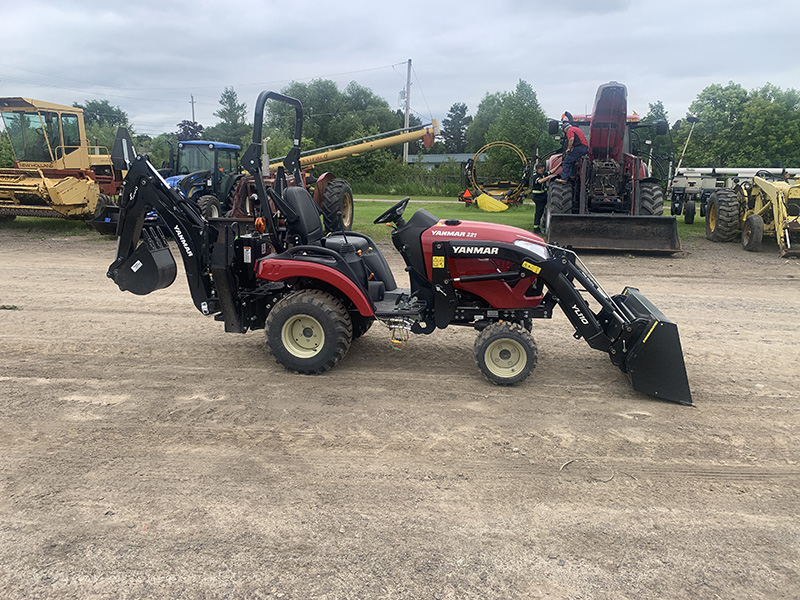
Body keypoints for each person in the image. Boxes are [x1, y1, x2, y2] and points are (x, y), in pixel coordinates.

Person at [557, 112, 588, 182]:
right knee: (572, 160)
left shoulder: (570, 130)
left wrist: (568, 148)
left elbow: (571, 139)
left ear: (565, 129)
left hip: (579, 148)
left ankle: (564, 178)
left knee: (566, 162)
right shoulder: (576, 129)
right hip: (584, 148)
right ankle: (572, 175)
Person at [530, 162, 548, 234]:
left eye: (542, 168)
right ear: (536, 170)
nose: (542, 169)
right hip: (538, 198)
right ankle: (536, 228)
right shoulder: (536, 176)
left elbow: (550, 172)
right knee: (538, 212)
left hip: (542, 197)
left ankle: (538, 227)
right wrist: (548, 177)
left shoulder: (542, 175)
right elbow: (540, 181)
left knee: (541, 212)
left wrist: (559, 165)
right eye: (540, 168)